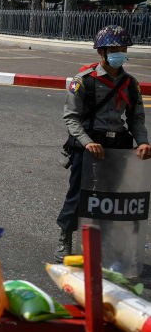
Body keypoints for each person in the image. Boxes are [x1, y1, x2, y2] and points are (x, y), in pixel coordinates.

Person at [56, 25, 151, 261]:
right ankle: (65, 238)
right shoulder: (84, 81)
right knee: (78, 194)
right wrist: (87, 142)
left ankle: (105, 243)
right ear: (102, 52)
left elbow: (136, 117)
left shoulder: (130, 84)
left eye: (123, 48)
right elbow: (71, 117)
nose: (120, 52)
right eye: (115, 49)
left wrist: (143, 142)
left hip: (118, 147)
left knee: (112, 198)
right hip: (88, 146)